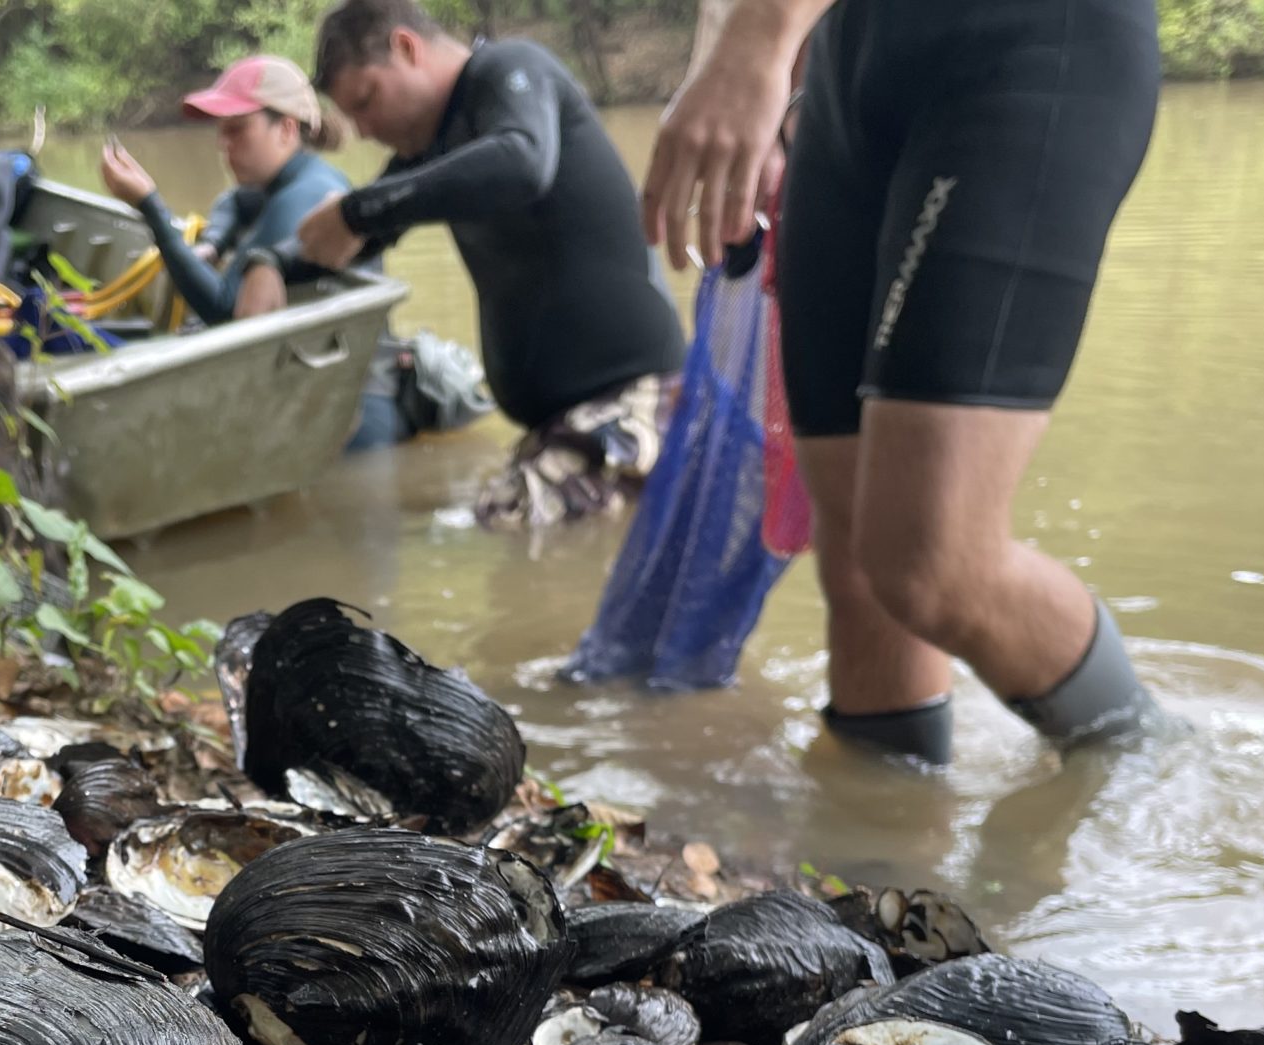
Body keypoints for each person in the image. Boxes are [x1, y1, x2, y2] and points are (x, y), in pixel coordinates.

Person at [642, 0, 1161, 763]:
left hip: (1029, 46)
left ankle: (1141, 767)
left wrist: (756, 45)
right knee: (853, 561)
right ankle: (877, 859)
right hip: (842, 69)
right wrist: (750, 77)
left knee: (930, 566)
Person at [297, 0, 687, 525]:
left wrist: (359, 209)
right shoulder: (428, 151)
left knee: (505, 539)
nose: (363, 130)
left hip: (629, 404)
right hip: (562, 422)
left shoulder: (510, 69)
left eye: (366, 101)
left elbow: (522, 163)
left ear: (406, 48)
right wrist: (270, 265)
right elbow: (355, 236)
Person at [96, 56, 350, 328]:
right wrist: (213, 243)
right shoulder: (288, 179)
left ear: (286, 129)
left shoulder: (305, 194)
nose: (222, 144)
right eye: (221, 130)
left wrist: (148, 205)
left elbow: (224, 308)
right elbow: (233, 201)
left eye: (237, 129)